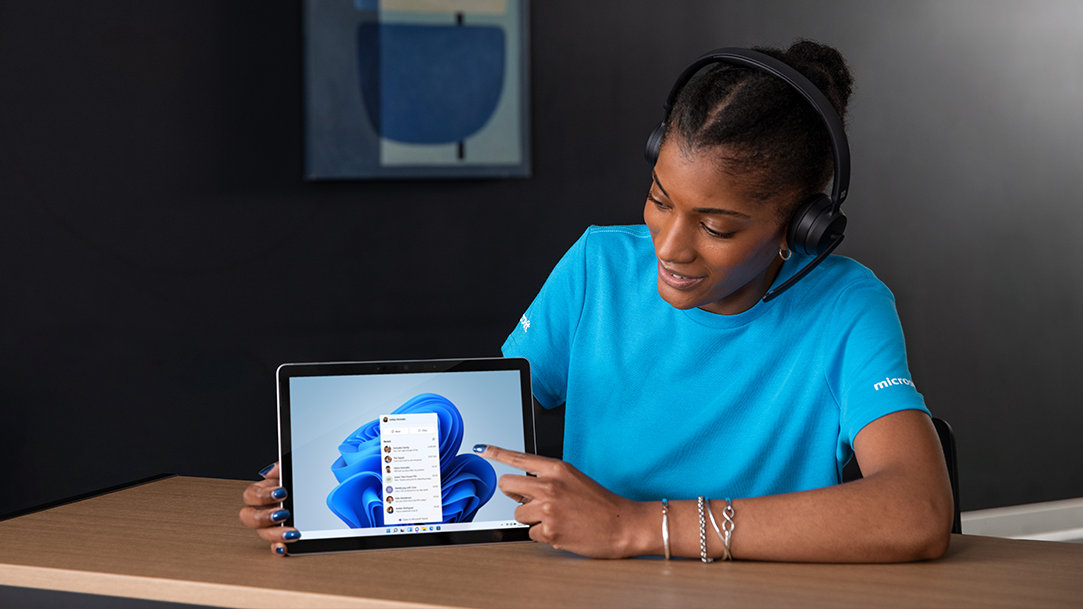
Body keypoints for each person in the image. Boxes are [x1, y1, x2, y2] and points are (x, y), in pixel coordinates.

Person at [240, 40, 953, 561]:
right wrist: (327, 495)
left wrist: (640, 525)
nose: (669, 247)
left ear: (799, 228)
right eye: (658, 199)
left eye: (716, 225)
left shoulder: (846, 306)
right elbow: (482, 433)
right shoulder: (596, 267)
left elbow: (916, 510)